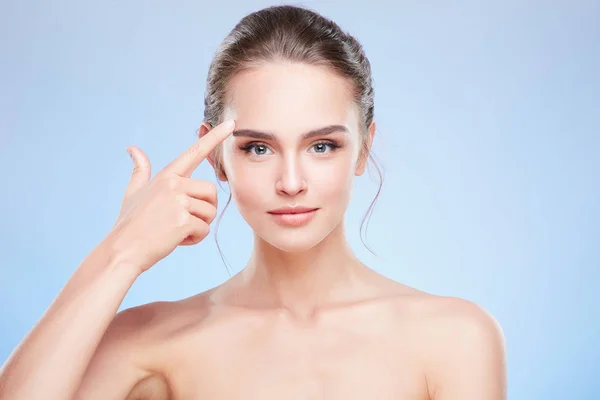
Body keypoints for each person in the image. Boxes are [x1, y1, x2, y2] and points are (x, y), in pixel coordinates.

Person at [0, 5, 506, 400]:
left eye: (322, 146)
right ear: (217, 157)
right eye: (258, 148)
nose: (291, 182)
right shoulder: (148, 342)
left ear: (363, 149)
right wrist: (119, 254)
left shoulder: (455, 338)